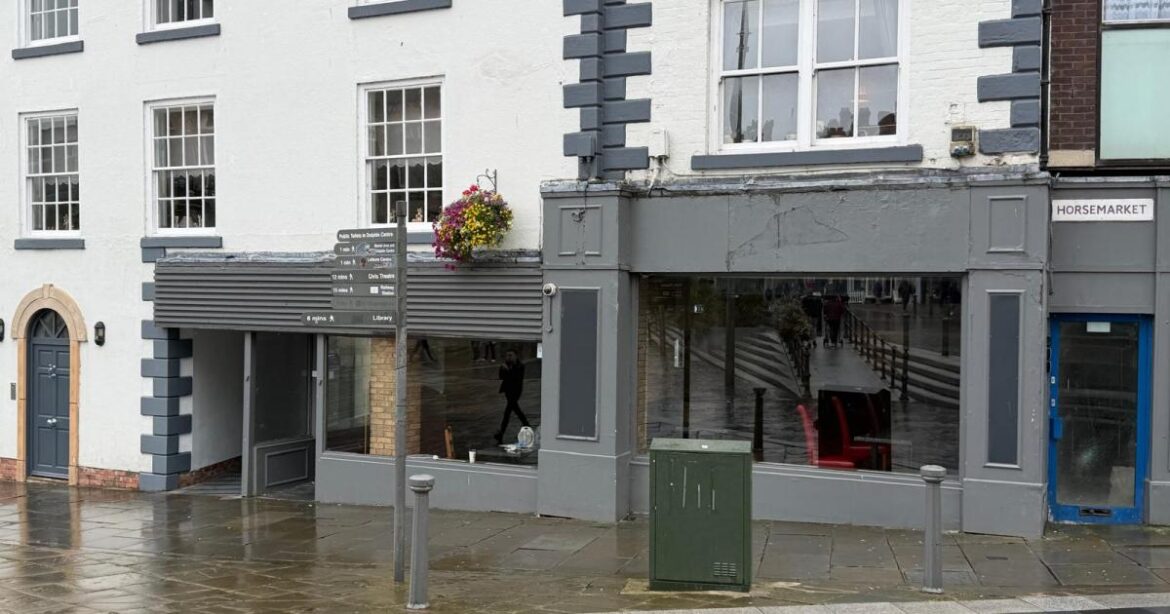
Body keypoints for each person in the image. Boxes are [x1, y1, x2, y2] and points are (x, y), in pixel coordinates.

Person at [494, 350, 531, 444]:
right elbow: (501, 377)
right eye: (507, 355)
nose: (509, 357)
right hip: (508, 391)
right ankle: (527, 425)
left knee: (508, 412)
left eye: (510, 355)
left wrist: (508, 370)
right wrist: (503, 369)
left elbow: (516, 378)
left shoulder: (520, 366)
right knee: (515, 410)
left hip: (515, 391)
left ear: (515, 356)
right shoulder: (505, 365)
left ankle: (501, 433)